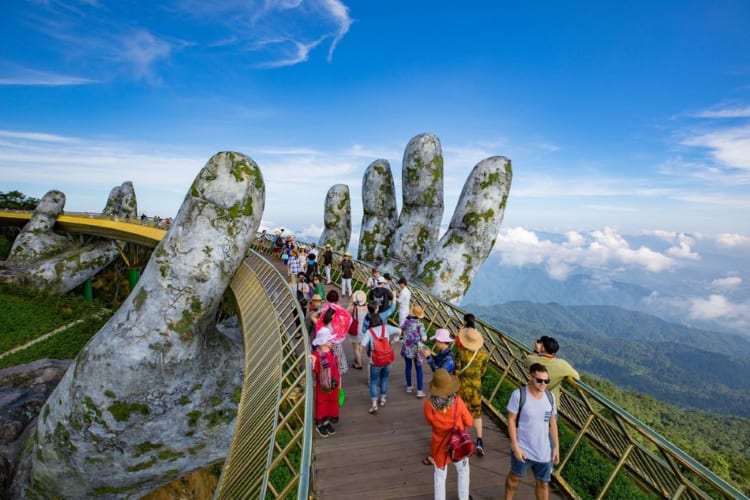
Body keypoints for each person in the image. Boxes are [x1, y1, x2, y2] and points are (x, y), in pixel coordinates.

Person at [505, 363, 560, 500]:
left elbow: (552, 423)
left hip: (544, 451)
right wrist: (515, 446)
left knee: (543, 484)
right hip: (523, 448)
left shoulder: (550, 398)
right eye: (539, 380)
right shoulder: (519, 395)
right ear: (531, 377)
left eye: (546, 381)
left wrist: (556, 447)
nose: (543, 384)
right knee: (514, 478)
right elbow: (511, 420)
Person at [423, 368, 472, 500]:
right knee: (463, 471)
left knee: (439, 476)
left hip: (439, 445)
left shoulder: (428, 405)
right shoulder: (457, 402)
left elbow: (430, 422)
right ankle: (463, 497)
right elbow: (470, 421)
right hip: (457, 444)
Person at [455, 314, 489, 456]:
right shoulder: (483, 354)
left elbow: (456, 372)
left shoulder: (461, 353)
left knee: (461, 414)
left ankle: (464, 440)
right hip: (476, 388)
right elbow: (483, 372)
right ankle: (479, 441)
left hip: (462, 388)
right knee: (476, 415)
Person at [360, 310, 401, 414]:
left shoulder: (369, 332)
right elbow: (400, 331)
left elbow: (362, 345)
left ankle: (374, 404)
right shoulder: (386, 328)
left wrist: (363, 352)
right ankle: (383, 399)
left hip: (376, 361)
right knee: (385, 379)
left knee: (373, 382)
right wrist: (393, 341)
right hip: (387, 359)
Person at [525, 335, 580, 403]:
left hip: (530, 398)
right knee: (546, 414)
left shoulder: (533, 360)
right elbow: (577, 377)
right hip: (550, 403)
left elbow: (527, 360)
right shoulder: (562, 364)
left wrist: (536, 351)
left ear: (543, 348)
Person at [309, 328, 341, 437]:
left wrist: (339, 381)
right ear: (323, 342)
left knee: (331, 403)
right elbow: (315, 369)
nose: (331, 342)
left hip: (333, 384)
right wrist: (312, 362)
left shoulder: (332, 352)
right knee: (322, 404)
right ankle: (320, 424)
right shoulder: (317, 354)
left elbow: (337, 367)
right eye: (329, 340)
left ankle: (326, 422)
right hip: (323, 386)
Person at [400, 304, 428, 398]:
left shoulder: (407, 322)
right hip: (417, 349)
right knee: (419, 369)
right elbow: (424, 338)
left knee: (408, 367)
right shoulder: (421, 325)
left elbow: (402, 328)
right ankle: (420, 391)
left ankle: (409, 386)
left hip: (407, 347)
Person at [350, 290, 368, 370]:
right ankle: (358, 358)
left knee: (355, 348)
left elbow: (346, 312)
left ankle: (359, 364)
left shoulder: (354, 307)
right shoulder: (367, 307)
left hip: (356, 329)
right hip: (364, 328)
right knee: (360, 345)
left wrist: (351, 303)